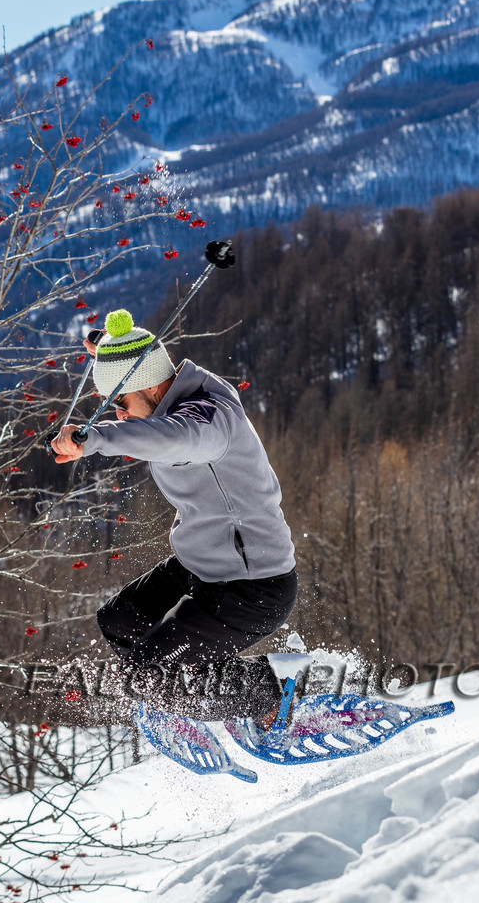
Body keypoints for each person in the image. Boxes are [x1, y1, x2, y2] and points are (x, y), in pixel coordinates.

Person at [52, 308, 298, 725]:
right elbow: (153, 400)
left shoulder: (208, 420)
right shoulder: (174, 392)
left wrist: (97, 438)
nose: (120, 415)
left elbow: (173, 438)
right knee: (118, 622)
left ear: (149, 385)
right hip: (201, 565)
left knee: (145, 676)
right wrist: (108, 349)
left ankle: (269, 692)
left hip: (252, 585)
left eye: (122, 403)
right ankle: (199, 690)